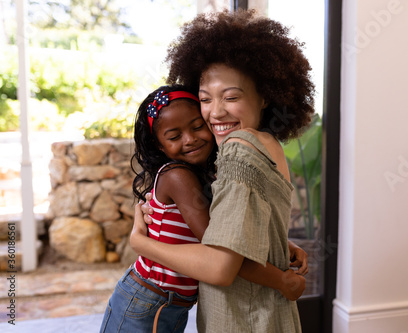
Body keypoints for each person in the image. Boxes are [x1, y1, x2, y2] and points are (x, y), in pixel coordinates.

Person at [130, 9, 315, 333]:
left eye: (231, 97)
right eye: (205, 99)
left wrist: (142, 244)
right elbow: (245, 225)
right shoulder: (266, 143)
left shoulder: (237, 149)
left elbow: (219, 268)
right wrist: (279, 246)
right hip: (270, 314)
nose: (215, 112)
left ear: (265, 96)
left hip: (241, 319)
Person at [101, 84, 307, 333]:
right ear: (159, 146)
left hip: (169, 304)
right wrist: (281, 280)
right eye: (175, 136)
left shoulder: (205, 173)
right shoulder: (178, 176)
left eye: (197, 126)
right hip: (147, 301)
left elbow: (230, 228)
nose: (190, 139)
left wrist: (283, 246)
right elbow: (220, 247)